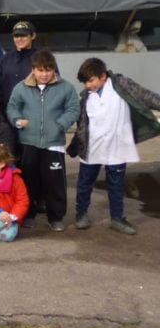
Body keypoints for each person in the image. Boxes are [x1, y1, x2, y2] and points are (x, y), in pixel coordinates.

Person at [69, 58, 160, 235]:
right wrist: (76, 145)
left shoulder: (122, 85)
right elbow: (82, 124)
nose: (88, 85)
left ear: (103, 76)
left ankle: (117, 218)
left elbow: (147, 97)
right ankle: (81, 214)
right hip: (92, 147)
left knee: (116, 185)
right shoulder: (86, 97)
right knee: (85, 183)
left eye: (91, 80)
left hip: (118, 146)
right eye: (85, 82)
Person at [6, 49, 79, 231]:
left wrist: (60, 124)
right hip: (28, 141)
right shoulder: (21, 87)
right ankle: (29, 213)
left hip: (54, 143)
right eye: (40, 70)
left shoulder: (66, 87)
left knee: (54, 181)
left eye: (48, 70)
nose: (44, 74)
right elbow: (12, 107)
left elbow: (73, 109)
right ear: (33, 70)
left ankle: (56, 217)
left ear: (54, 69)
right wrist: (17, 120)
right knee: (29, 180)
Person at [0, 20, 39, 115]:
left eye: (24, 35)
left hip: (35, 115)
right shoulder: (3, 60)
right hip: (8, 115)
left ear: (33, 36)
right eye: (16, 36)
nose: (20, 39)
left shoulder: (42, 58)